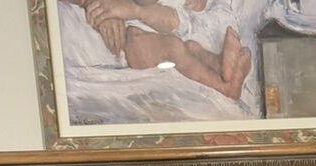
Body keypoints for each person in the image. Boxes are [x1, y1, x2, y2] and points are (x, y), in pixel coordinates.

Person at [78, 0, 252, 100]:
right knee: (174, 48)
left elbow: (180, 18)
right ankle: (223, 86)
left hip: (167, 28)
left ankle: (220, 65)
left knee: (192, 47)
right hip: (137, 41)